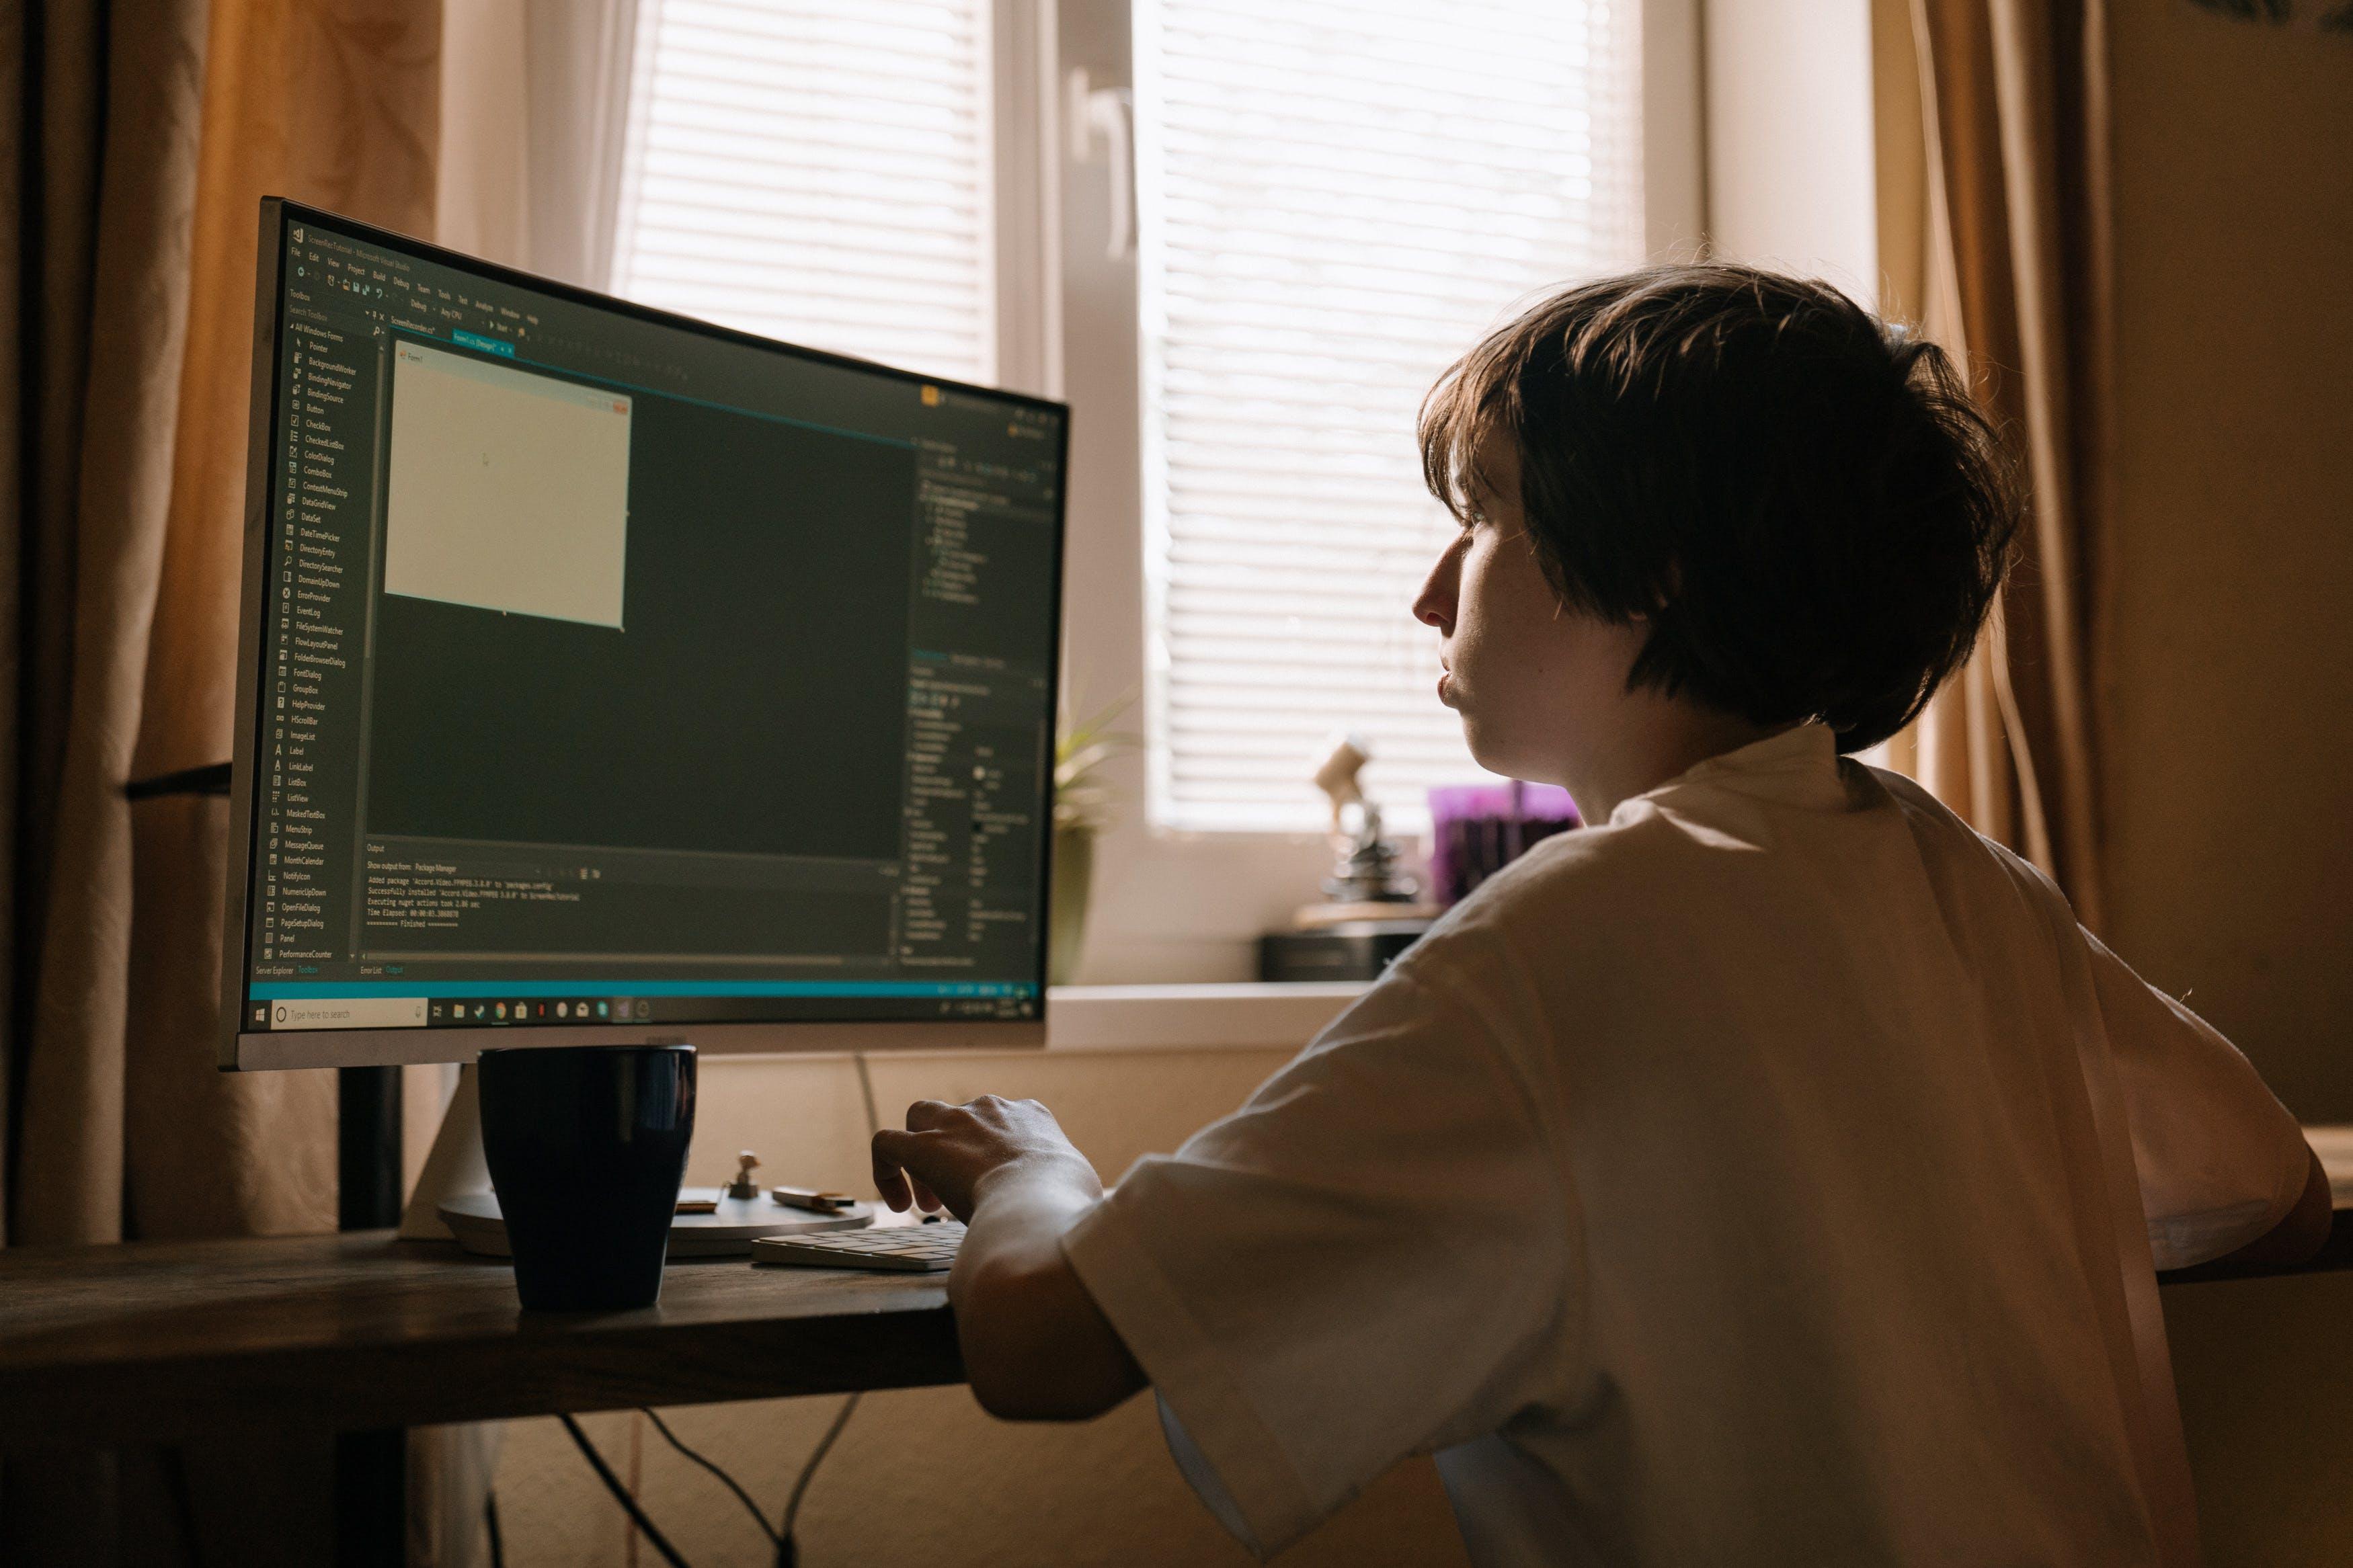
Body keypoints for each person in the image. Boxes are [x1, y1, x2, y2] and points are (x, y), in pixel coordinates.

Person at [870, 266, 2329, 1567]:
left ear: (1659, 564)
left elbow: (1050, 1344)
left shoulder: (1564, 945)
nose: (1431, 592)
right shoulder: (1969, 883)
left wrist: (1030, 1166)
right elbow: (2276, 1197)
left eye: (1484, 513)